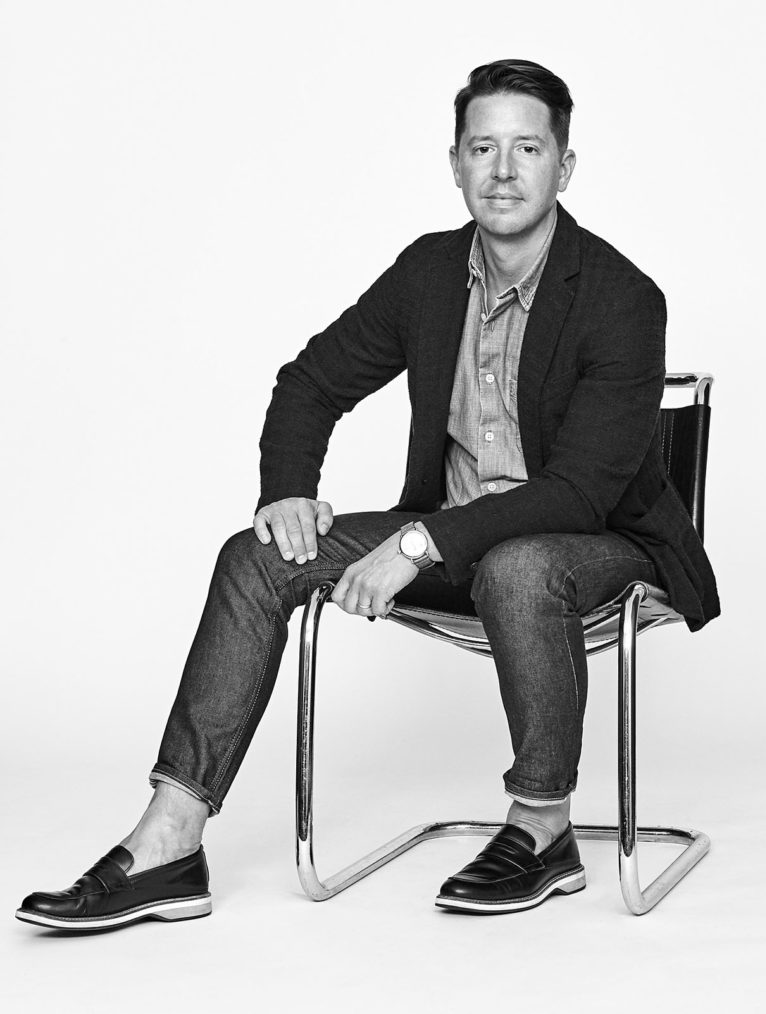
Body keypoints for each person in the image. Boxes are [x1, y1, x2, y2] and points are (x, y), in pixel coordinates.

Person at [16, 58, 719, 929]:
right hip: (457, 535)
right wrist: (287, 493)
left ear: (563, 167)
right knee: (257, 558)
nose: (503, 170)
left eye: (527, 147)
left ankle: (542, 827)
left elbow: (576, 492)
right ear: (455, 164)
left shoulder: (621, 298)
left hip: (598, 546)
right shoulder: (428, 273)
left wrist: (422, 544)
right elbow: (310, 381)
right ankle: (170, 842)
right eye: (483, 148)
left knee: (519, 563)